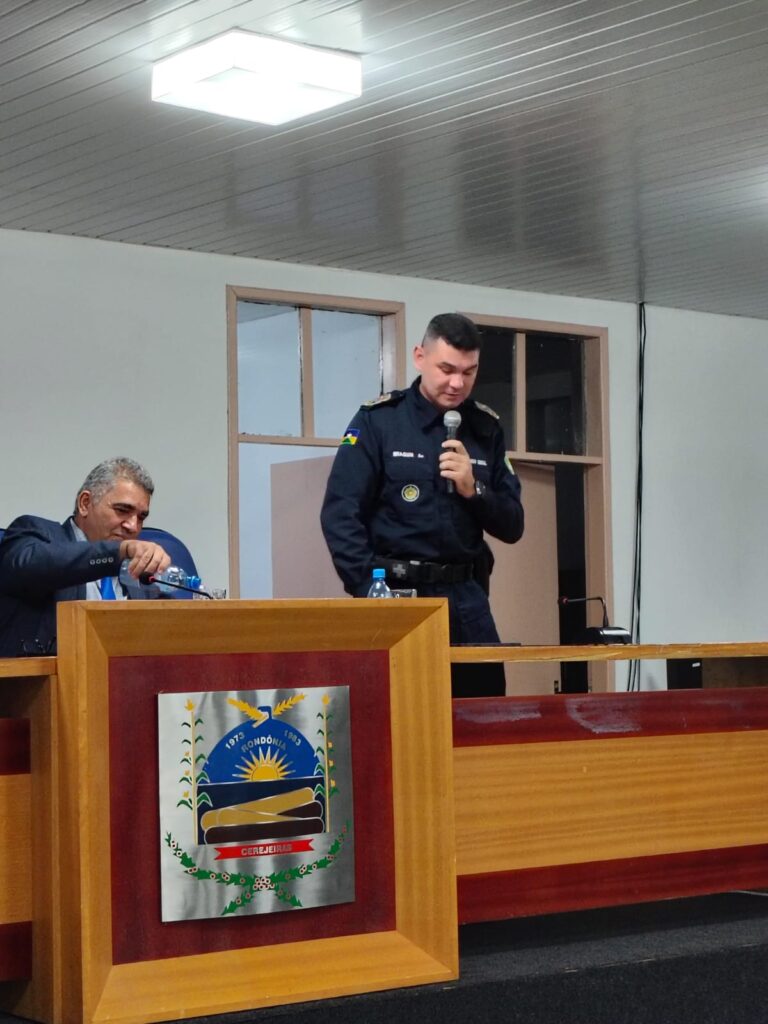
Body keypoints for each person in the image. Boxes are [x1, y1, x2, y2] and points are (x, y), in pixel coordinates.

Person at [320, 312, 524, 697]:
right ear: (419, 357)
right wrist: (367, 589)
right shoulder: (379, 422)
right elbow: (340, 515)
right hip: (396, 595)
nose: (457, 383)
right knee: (399, 712)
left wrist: (473, 488)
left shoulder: (486, 428)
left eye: (468, 372)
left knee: (484, 714)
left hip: (466, 601)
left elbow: (513, 525)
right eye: (446, 369)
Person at [0, 457, 171, 657]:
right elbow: (30, 564)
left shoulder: (138, 571)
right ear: (85, 503)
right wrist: (115, 553)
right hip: (48, 675)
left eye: (141, 517)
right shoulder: (37, 533)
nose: (133, 526)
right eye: (122, 510)